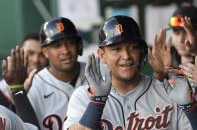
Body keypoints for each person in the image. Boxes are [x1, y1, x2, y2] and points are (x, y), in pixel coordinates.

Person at [63, 15, 194, 130]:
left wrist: (191, 108)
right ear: (102, 55)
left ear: (141, 51)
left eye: (133, 47)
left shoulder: (168, 92)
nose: (126, 55)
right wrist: (97, 102)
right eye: (116, 49)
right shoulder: (83, 97)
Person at [27, 17, 87, 130]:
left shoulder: (96, 75)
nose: (65, 51)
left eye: (71, 43)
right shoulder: (35, 86)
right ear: (45, 52)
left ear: (78, 46)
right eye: (57, 46)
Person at [0, 32, 48, 105]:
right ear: (19, 53)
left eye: (41, 55)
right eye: (30, 53)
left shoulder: (54, 86)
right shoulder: (2, 88)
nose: (36, 60)